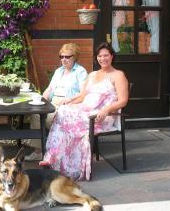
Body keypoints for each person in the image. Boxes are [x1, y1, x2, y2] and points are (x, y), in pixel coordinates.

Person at [40, 42, 129, 181]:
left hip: (102, 116)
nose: (103, 58)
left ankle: (62, 162)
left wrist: (107, 109)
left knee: (67, 118)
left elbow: (123, 101)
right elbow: (82, 96)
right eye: (100, 56)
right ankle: (55, 157)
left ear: (112, 56)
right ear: (97, 58)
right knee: (63, 111)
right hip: (86, 110)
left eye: (106, 55)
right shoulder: (92, 75)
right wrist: (69, 101)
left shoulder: (118, 75)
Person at [25, 43, 88, 161]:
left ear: (75, 57)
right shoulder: (59, 71)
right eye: (61, 57)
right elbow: (50, 89)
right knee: (35, 113)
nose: (64, 59)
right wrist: (41, 100)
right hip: (53, 103)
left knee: (46, 118)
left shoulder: (80, 72)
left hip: (68, 105)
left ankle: (53, 150)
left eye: (67, 57)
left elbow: (83, 94)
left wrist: (69, 100)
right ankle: (38, 150)